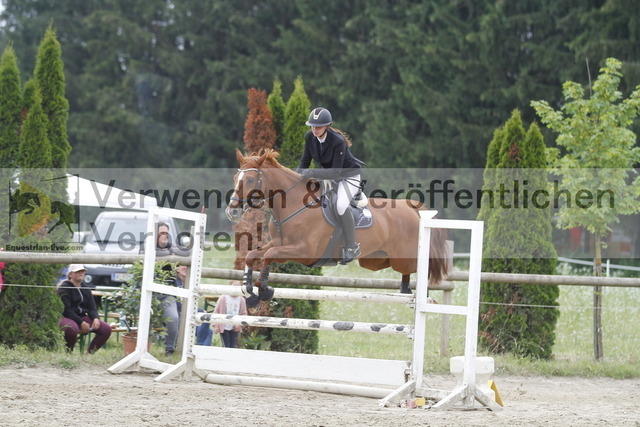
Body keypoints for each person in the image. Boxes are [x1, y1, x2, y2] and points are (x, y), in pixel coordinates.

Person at [297, 107, 364, 264]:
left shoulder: (337, 141)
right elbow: (304, 162)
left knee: (340, 206)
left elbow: (335, 172)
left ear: (327, 126)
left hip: (348, 177)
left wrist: (311, 173)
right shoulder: (310, 137)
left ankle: (352, 246)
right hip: (328, 177)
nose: (315, 130)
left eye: (318, 127)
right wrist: (297, 176)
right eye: (312, 126)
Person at [57, 264, 112, 353]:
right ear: (70, 274)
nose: (81, 273)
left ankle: (89, 354)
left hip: (81, 316)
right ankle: (69, 353)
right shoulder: (64, 287)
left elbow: (92, 307)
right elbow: (66, 310)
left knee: (106, 329)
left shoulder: (86, 288)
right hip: (65, 317)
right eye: (78, 271)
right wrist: (81, 322)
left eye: (83, 271)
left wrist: (95, 318)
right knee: (71, 329)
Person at [212, 281, 248, 348]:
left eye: (238, 287)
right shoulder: (223, 298)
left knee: (233, 345)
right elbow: (216, 312)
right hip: (224, 326)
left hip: (235, 327)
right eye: (234, 286)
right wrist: (216, 325)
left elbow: (243, 314)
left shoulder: (241, 300)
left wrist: (239, 325)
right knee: (226, 345)